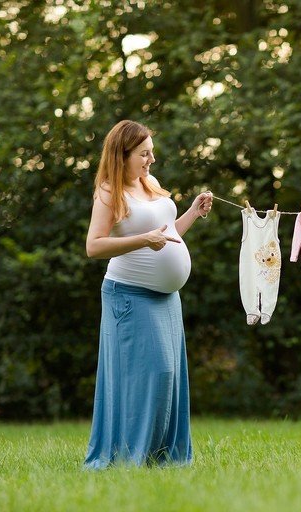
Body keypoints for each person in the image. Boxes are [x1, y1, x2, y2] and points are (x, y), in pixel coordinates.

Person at [83, 120, 213, 469]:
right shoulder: (110, 192)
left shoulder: (149, 183)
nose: (151, 159)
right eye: (143, 154)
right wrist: (143, 240)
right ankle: (131, 455)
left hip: (166, 298)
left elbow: (166, 234)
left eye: (151, 152)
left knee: (170, 375)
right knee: (153, 375)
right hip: (129, 296)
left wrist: (192, 213)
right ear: (122, 156)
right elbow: (94, 246)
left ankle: (162, 456)